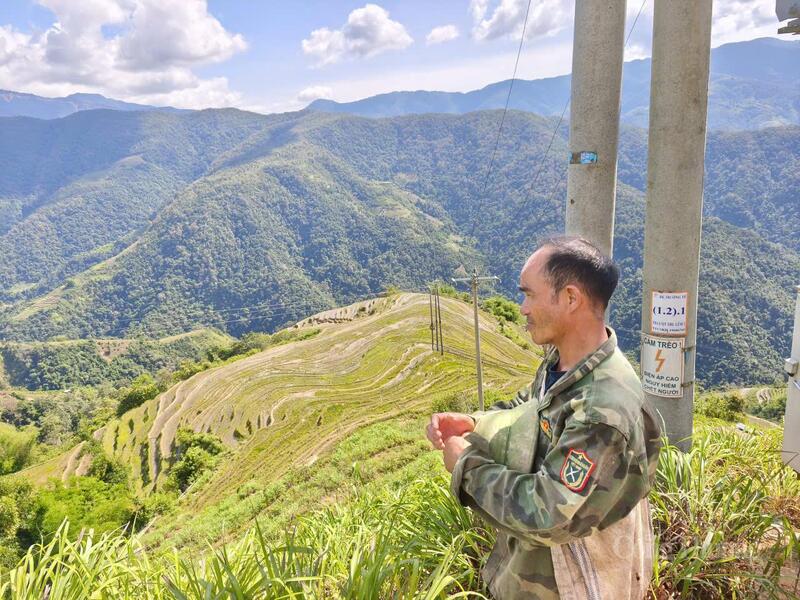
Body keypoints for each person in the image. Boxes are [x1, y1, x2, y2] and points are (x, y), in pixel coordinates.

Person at [426, 236, 662, 600]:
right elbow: (531, 408)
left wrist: (466, 466)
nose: (522, 308)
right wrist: (474, 423)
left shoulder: (601, 409)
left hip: (571, 585)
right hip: (531, 573)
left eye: (529, 295)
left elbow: (548, 514)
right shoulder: (564, 363)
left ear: (570, 298)